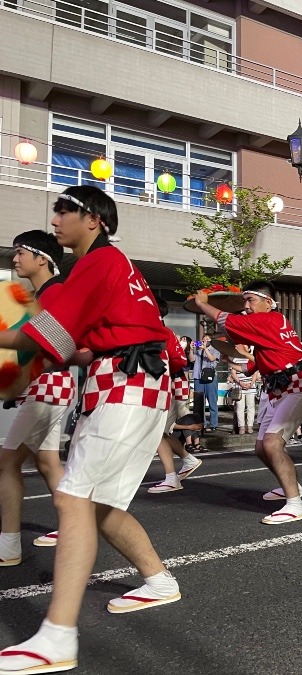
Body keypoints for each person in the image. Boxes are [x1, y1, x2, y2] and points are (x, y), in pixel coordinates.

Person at [0, 186, 180, 674]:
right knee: (97, 503)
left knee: (74, 498)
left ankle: (57, 636)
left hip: (127, 385)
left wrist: (9, 345)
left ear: (94, 220)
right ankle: (158, 579)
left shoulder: (96, 264)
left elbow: (49, 337)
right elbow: (76, 345)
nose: (55, 220)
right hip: (128, 384)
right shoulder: (108, 266)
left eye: (63, 212)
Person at [193, 280, 302, 525]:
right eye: (245, 301)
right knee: (261, 449)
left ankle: (295, 504)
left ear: (268, 302)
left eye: (251, 300)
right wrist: (232, 362)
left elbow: (228, 322)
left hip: (297, 384)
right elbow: (256, 364)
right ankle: (291, 486)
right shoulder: (271, 327)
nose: (246, 306)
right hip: (280, 388)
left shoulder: (270, 319)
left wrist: (203, 304)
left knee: (271, 444)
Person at [0, 230, 72, 565]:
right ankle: (70, 526)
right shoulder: (42, 294)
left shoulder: (55, 293)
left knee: (7, 463)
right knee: (47, 462)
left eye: (20, 253)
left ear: (41, 258)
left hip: (50, 387)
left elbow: (56, 343)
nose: (15, 259)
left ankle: (10, 544)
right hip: (52, 386)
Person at [147, 297, 203, 494]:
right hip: (165, 388)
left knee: (156, 432)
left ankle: (173, 477)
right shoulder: (156, 331)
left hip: (172, 388)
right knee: (159, 432)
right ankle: (188, 460)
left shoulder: (163, 333)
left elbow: (179, 361)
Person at [190, 333, 220, 431]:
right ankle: (201, 424)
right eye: (204, 339)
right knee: (199, 403)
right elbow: (191, 359)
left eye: (207, 339)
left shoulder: (216, 351)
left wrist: (205, 349)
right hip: (198, 378)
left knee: (212, 401)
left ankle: (213, 424)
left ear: (211, 341)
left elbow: (211, 359)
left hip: (210, 378)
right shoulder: (198, 352)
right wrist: (191, 349)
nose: (205, 341)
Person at [228, 354, 260, 435]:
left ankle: (250, 426)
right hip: (239, 387)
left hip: (251, 386)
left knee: (251, 407)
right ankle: (241, 426)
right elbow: (233, 372)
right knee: (240, 407)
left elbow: (255, 373)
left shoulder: (251, 358)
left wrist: (251, 383)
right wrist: (240, 382)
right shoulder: (235, 359)